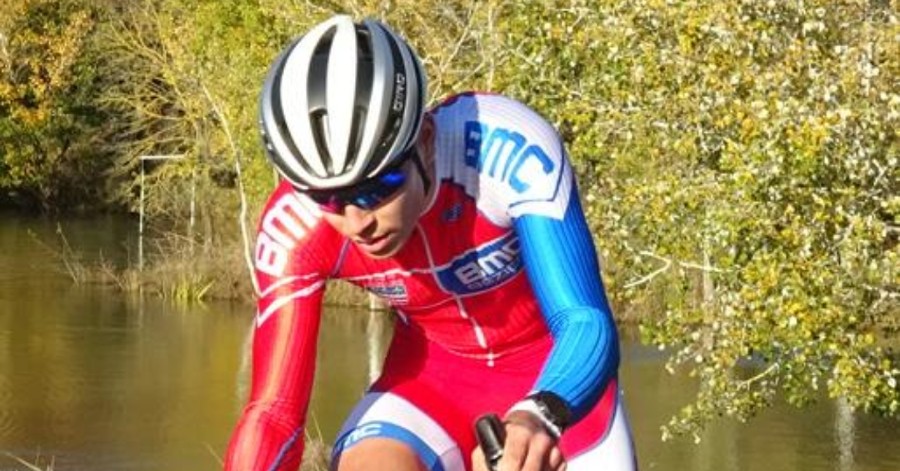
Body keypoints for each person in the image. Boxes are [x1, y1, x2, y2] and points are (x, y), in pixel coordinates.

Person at [225, 14, 637, 471]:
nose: (357, 222)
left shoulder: (501, 148)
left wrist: (542, 413)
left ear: (424, 142)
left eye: (377, 189)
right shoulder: (296, 226)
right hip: (430, 385)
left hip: (555, 382)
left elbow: (583, 320)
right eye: (328, 199)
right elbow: (273, 413)